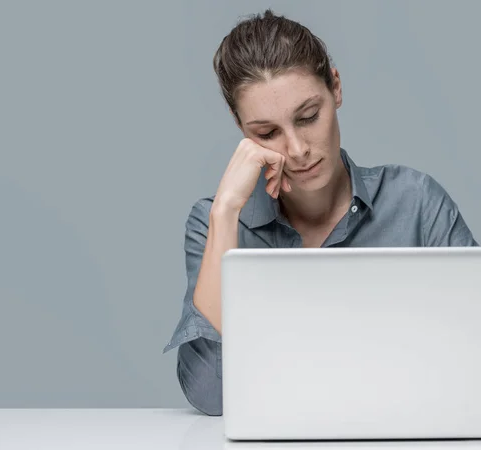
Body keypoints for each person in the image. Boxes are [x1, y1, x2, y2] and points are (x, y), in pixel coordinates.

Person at [162, 9, 478, 416]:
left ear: (336, 88)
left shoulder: (416, 203)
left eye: (308, 117)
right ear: (241, 128)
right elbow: (210, 394)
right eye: (266, 132)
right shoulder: (217, 223)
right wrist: (225, 213)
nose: (296, 150)